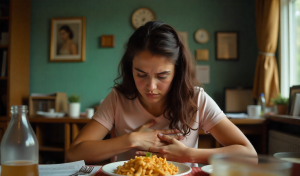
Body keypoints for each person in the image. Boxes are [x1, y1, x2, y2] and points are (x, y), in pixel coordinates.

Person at [66, 21, 257, 166]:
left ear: (177, 72)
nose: (151, 86)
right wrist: (132, 140)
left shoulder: (196, 99)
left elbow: (249, 155)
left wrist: (188, 154)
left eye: (162, 76)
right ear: (129, 68)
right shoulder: (118, 98)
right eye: (141, 74)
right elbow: (73, 154)